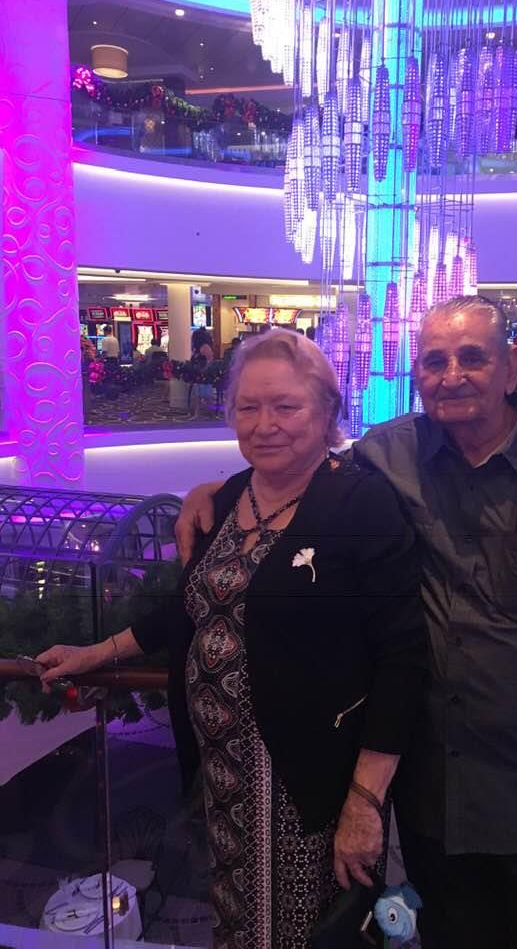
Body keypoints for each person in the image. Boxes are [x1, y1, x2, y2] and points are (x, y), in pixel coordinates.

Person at [177, 298, 517, 949]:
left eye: (473, 357)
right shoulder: (388, 455)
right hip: (435, 805)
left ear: (511, 368)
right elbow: (299, 457)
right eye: (434, 361)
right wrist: (215, 492)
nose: (452, 374)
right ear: (417, 373)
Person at [36, 329, 426, 949]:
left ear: (327, 413)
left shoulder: (362, 507)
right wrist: (96, 654)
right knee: (238, 922)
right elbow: (187, 611)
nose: (265, 424)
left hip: (311, 785)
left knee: (308, 930)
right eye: (248, 407)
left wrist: (365, 800)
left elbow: (403, 659)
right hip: (223, 779)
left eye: (286, 406)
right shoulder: (225, 499)